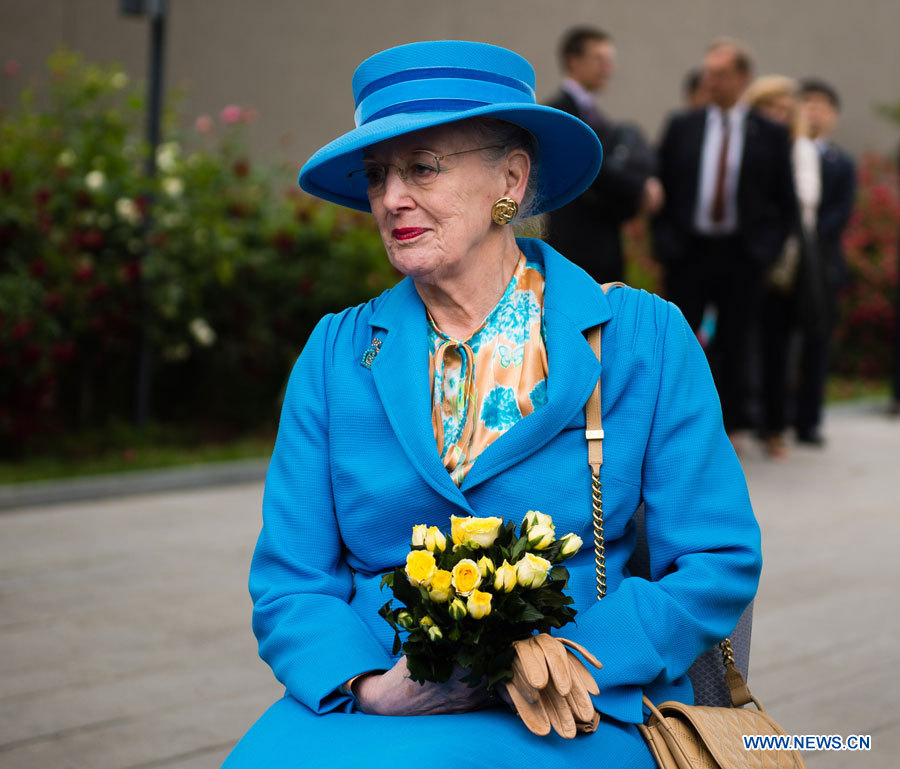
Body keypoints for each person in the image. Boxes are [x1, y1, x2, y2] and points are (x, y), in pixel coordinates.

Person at [222, 41, 761, 769]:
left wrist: (574, 660)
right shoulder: (335, 353)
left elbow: (715, 557)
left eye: (422, 168)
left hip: (575, 702)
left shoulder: (642, 338)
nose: (390, 199)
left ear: (510, 178)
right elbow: (291, 576)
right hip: (374, 706)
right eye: (378, 175)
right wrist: (372, 686)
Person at [653, 38, 796, 447]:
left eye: (719, 74)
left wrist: (763, 252)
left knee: (735, 344)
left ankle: (728, 430)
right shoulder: (684, 125)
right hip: (689, 252)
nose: (710, 81)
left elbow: (783, 202)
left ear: (742, 78)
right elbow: (665, 189)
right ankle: (672, 429)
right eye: (708, 73)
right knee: (676, 342)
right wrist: (666, 244)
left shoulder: (769, 133)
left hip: (742, 254)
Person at [544, 27, 663, 284]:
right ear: (573, 61)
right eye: (599, 59)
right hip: (574, 244)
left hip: (601, 244)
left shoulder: (594, 113)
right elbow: (589, 165)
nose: (608, 68)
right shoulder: (558, 112)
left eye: (610, 60)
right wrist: (640, 186)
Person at [743, 75, 821, 459]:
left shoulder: (798, 149)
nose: (777, 116)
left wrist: (771, 249)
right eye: (770, 108)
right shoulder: (746, 141)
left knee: (777, 344)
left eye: (784, 111)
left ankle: (774, 425)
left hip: (784, 263)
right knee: (738, 344)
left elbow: (803, 205)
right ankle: (742, 420)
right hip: (744, 255)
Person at [795, 78, 857, 442]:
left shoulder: (841, 162)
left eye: (822, 106)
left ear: (834, 115)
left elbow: (841, 211)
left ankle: (809, 420)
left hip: (824, 263)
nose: (814, 112)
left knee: (817, 342)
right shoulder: (787, 153)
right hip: (788, 266)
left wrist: (811, 238)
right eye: (808, 104)